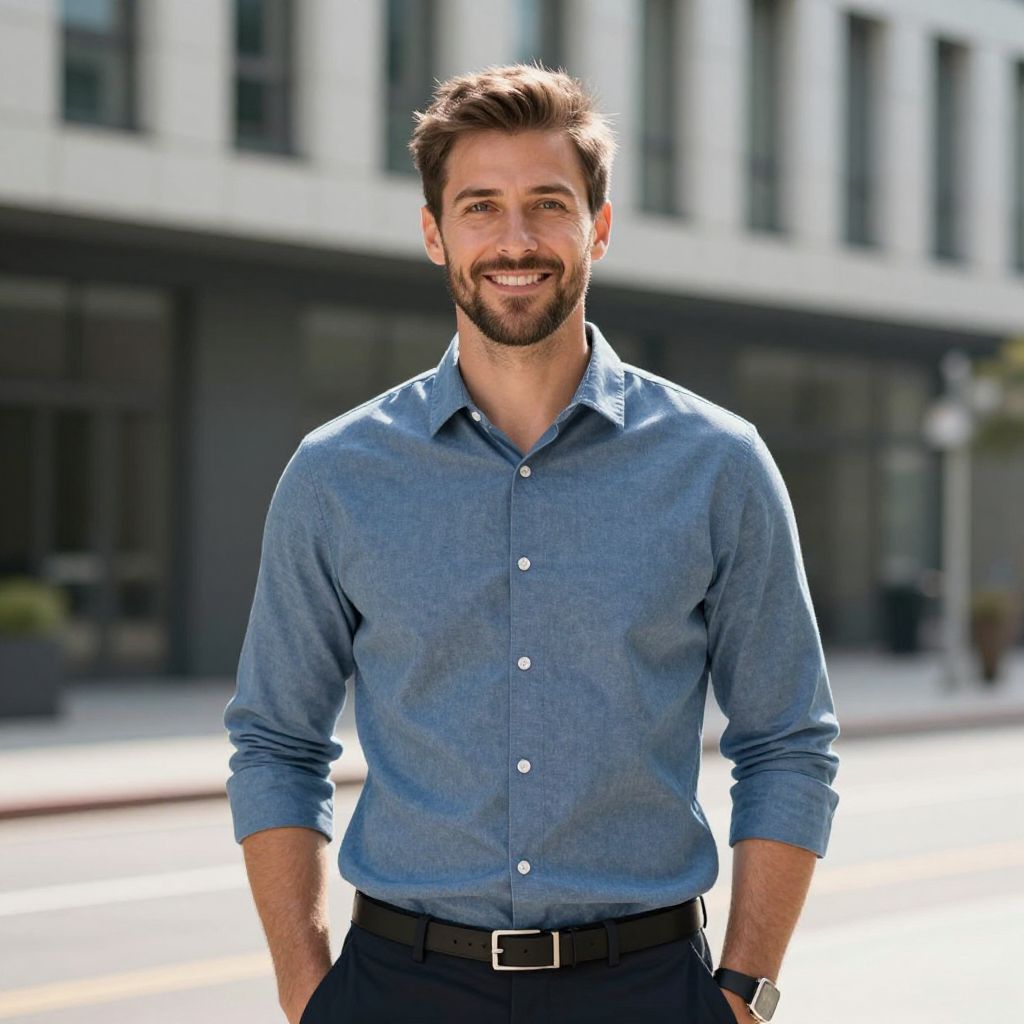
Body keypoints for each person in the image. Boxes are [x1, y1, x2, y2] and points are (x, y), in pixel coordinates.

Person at [223, 64, 840, 1024]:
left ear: (598, 224)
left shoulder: (718, 465)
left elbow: (789, 742)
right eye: (480, 208)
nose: (515, 241)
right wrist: (308, 993)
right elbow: (274, 740)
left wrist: (746, 992)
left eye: (548, 204)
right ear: (435, 234)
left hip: (647, 987)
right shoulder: (336, 475)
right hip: (398, 986)